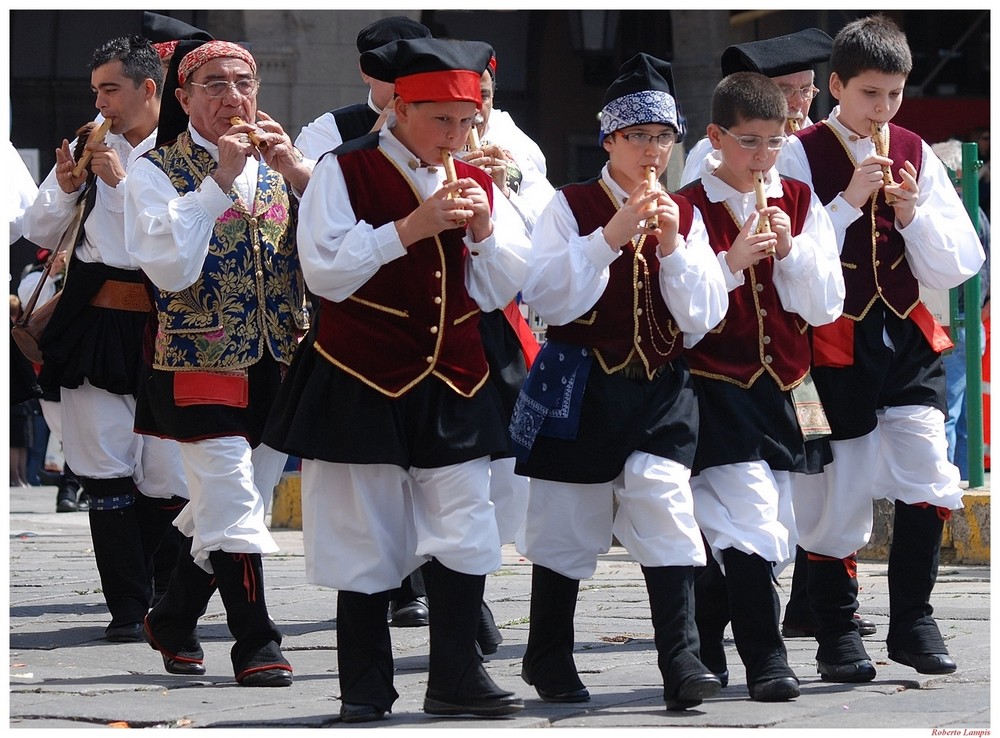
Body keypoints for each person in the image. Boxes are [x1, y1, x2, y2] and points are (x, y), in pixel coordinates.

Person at [264, 36, 529, 721]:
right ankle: (364, 690)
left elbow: (506, 285)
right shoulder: (341, 170)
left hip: (457, 378)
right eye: (443, 119)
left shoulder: (473, 176)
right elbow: (324, 271)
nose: (457, 135)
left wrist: (485, 235)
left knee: (468, 526)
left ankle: (457, 678)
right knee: (364, 535)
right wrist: (406, 228)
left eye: (466, 121)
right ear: (400, 107)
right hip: (363, 376)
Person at [510, 52, 728, 711]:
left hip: (660, 389)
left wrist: (670, 249)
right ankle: (547, 656)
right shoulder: (569, 205)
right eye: (639, 137)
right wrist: (608, 236)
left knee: (666, 506)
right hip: (579, 383)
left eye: (664, 137)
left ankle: (683, 664)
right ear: (610, 139)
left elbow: (703, 314)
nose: (653, 151)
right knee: (567, 525)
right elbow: (546, 298)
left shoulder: (683, 214)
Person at [778, 15, 985, 683]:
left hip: (906, 335)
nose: (884, 109)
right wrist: (845, 204)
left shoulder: (916, 151)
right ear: (836, 85)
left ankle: (914, 620)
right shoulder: (798, 154)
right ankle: (837, 630)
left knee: (929, 466)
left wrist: (913, 213)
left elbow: (962, 262)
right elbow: (785, 262)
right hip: (830, 343)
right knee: (837, 490)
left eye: (894, 94)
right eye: (870, 93)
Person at [125, 39, 310, 687]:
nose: (232, 97)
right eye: (213, 84)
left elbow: (327, 254)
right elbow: (169, 267)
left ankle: (174, 615)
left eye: (243, 82)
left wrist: (299, 177)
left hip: (277, 356)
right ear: (182, 98)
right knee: (231, 496)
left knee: (237, 502)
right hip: (199, 357)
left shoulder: (278, 163)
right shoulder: (153, 172)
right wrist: (217, 183)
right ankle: (257, 641)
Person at [678, 71, 844, 701]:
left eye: (775, 142)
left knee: (773, 525)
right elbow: (687, 313)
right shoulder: (689, 207)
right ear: (716, 137)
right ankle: (767, 660)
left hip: (787, 386)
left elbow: (825, 305)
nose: (763, 157)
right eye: (750, 142)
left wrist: (792, 248)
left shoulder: (800, 200)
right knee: (748, 518)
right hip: (717, 384)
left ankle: (703, 630)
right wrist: (733, 261)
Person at [22, 35, 189, 643]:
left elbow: (163, 243)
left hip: (170, 318)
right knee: (106, 468)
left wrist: (121, 184)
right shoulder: (90, 142)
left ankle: (168, 597)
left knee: (169, 470)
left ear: (150, 88)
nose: (102, 103)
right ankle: (127, 605)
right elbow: (37, 226)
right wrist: (67, 184)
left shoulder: (182, 151)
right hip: (99, 318)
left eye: (111, 89)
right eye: (96, 91)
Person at [295, 14, 435, 633]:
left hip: (439, 341)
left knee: (449, 490)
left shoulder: (468, 145)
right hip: (357, 326)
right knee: (357, 483)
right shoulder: (335, 136)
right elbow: (318, 237)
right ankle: (186, 593)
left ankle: (461, 621)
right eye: (391, 80)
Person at [681, 28, 833, 188]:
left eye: (806, 90)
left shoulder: (821, 141)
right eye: (785, 90)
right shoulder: (714, 150)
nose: (798, 102)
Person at [930, 138, 990, 482]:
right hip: (969, 326)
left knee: (949, 416)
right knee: (965, 419)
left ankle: (950, 492)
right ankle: (964, 484)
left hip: (955, 326)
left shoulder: (960, 214)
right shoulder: (976, 213)